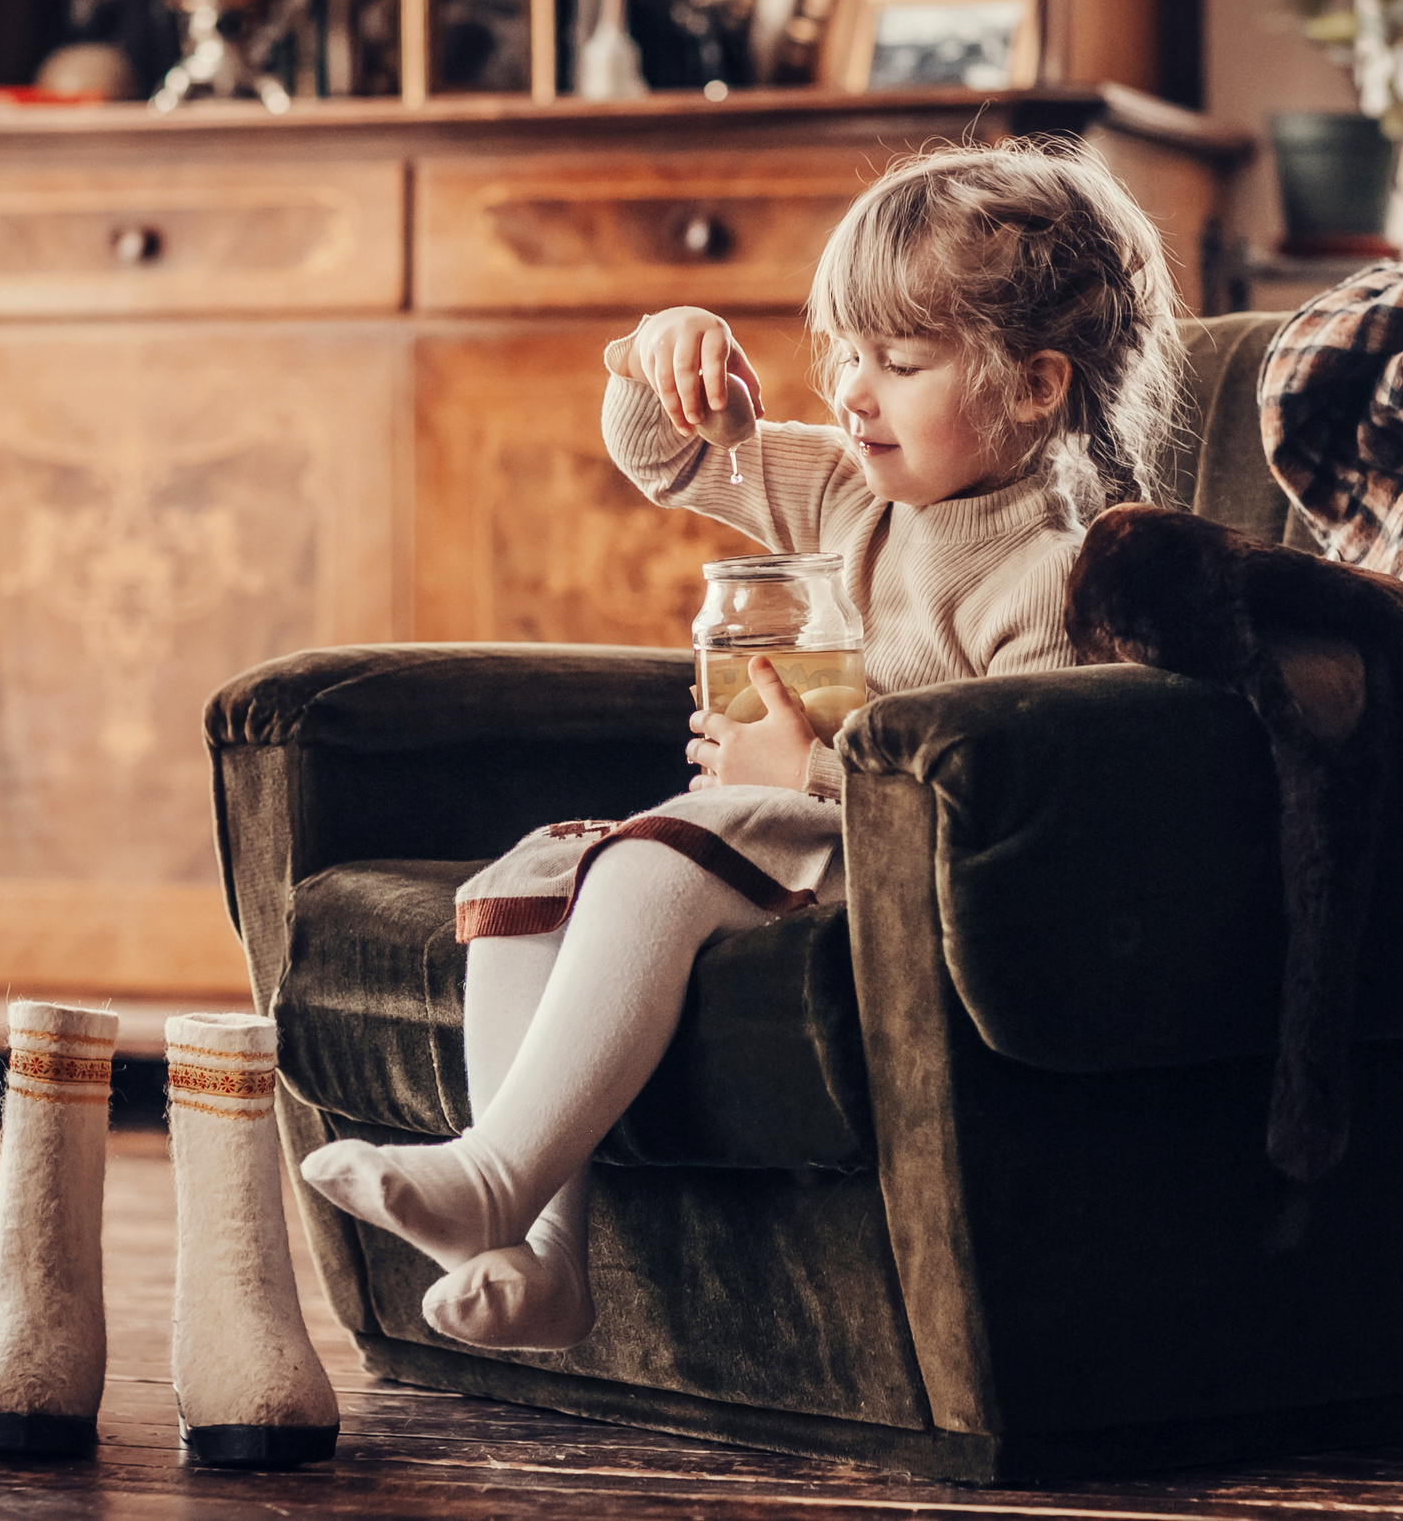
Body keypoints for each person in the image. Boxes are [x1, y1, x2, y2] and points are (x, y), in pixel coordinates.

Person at [301, 140, 1186, 1352]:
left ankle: (494, 1174)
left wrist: (806, 778)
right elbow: (667, 456)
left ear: (1034, 387)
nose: (851, 393)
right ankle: (545, 1259)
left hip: (890, 872)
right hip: (774, 840)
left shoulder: (1059, 575)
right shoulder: (844, 491)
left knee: (654, 861)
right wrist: (658, 350)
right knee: (536, 874)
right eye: (842, 355)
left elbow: (1028, 800)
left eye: (900, 362)